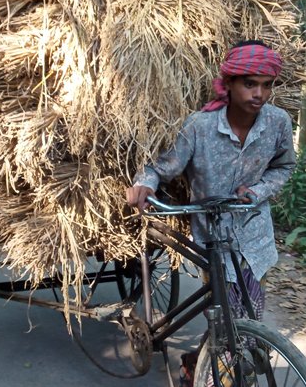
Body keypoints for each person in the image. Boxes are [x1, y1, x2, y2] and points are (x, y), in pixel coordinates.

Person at [125, 40, 295, 385]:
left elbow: (284, 167)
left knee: (249, 312)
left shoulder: (278, 123)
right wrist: (145, 184)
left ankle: (214, 360)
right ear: (228, 84)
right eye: (249, 83)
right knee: (224, 313)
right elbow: (163, 167)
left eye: (266, 84)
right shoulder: (200, 126)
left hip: (254, 235)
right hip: (213, 236)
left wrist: (257, 192)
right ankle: (217, 369)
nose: (259, 93)